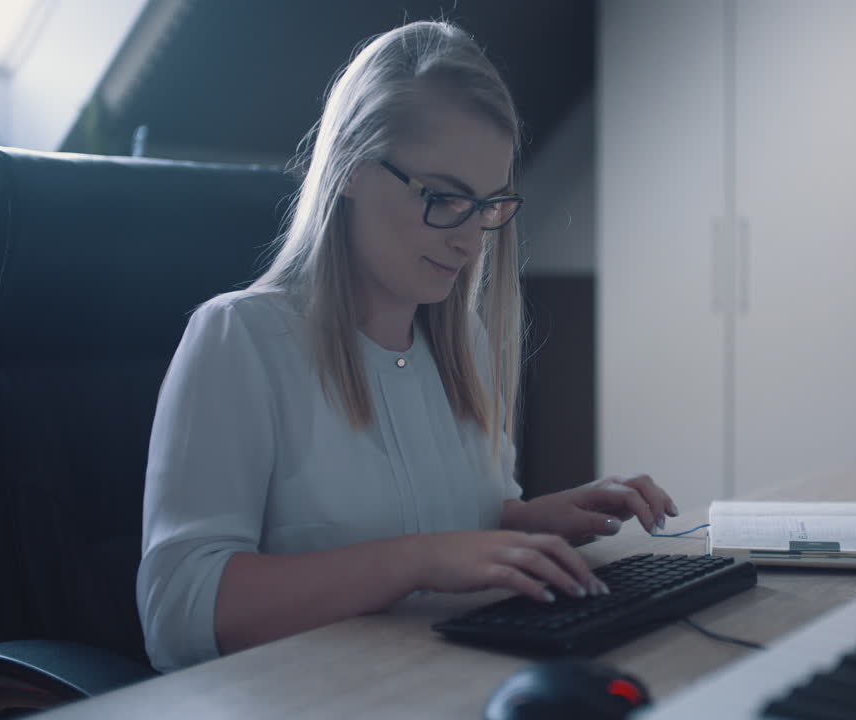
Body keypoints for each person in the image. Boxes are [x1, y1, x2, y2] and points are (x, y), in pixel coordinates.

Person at [136, 20, 678, 673]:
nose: (471, 241)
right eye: (445, 198)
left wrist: (535, 522)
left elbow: (462, 525)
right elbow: (179, 612)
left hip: (440, 679)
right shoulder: (243, 340)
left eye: (489, 205)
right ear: (350, 168)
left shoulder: (465, 345)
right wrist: (418, 558)